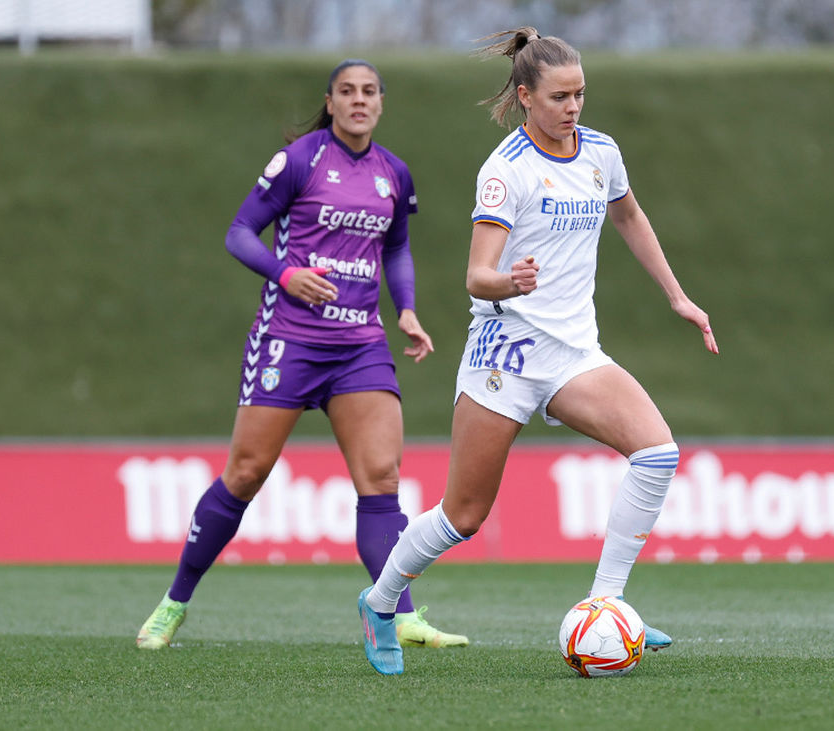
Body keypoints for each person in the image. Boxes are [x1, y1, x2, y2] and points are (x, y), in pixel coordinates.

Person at [356, 27, 718, 675]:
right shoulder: (505, 172)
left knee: (658, 452)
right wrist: (510, 281)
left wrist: (677, 296)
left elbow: (629, 217)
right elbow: (476, 277)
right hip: (506, 356)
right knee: (463, 514)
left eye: (580, 94)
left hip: (575, 351)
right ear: (526, 96)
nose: (574, 107)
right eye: (560, 96)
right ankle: (380, 603)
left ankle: (605, 604)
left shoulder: (601, 153)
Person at [136, 59, 467, 652]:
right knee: (245, 474)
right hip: (289, 339)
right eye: (347, 92)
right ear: (332, 101)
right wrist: (285, 274)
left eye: (369, 92)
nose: (359, 101)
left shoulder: (395, 174)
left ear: (381, 103)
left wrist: (407, 309)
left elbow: (396, 250)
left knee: (383, 480)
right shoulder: (300, 161)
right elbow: (240, 232)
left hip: (360, 344)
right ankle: (174, 601)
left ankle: (400, 614)